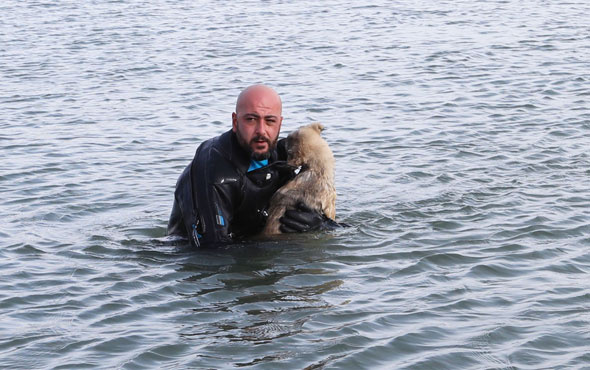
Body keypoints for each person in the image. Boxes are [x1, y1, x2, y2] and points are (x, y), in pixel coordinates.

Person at [167, 84, 333, 247]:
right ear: (235, 121)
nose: (261, 130)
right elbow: (212, 250)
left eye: (269, 121)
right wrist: (267, 247)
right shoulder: (214, 172)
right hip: (188, 252)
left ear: (279, 124)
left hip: (250, 242)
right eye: (251, 120)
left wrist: (321, 225)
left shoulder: (280, 157)